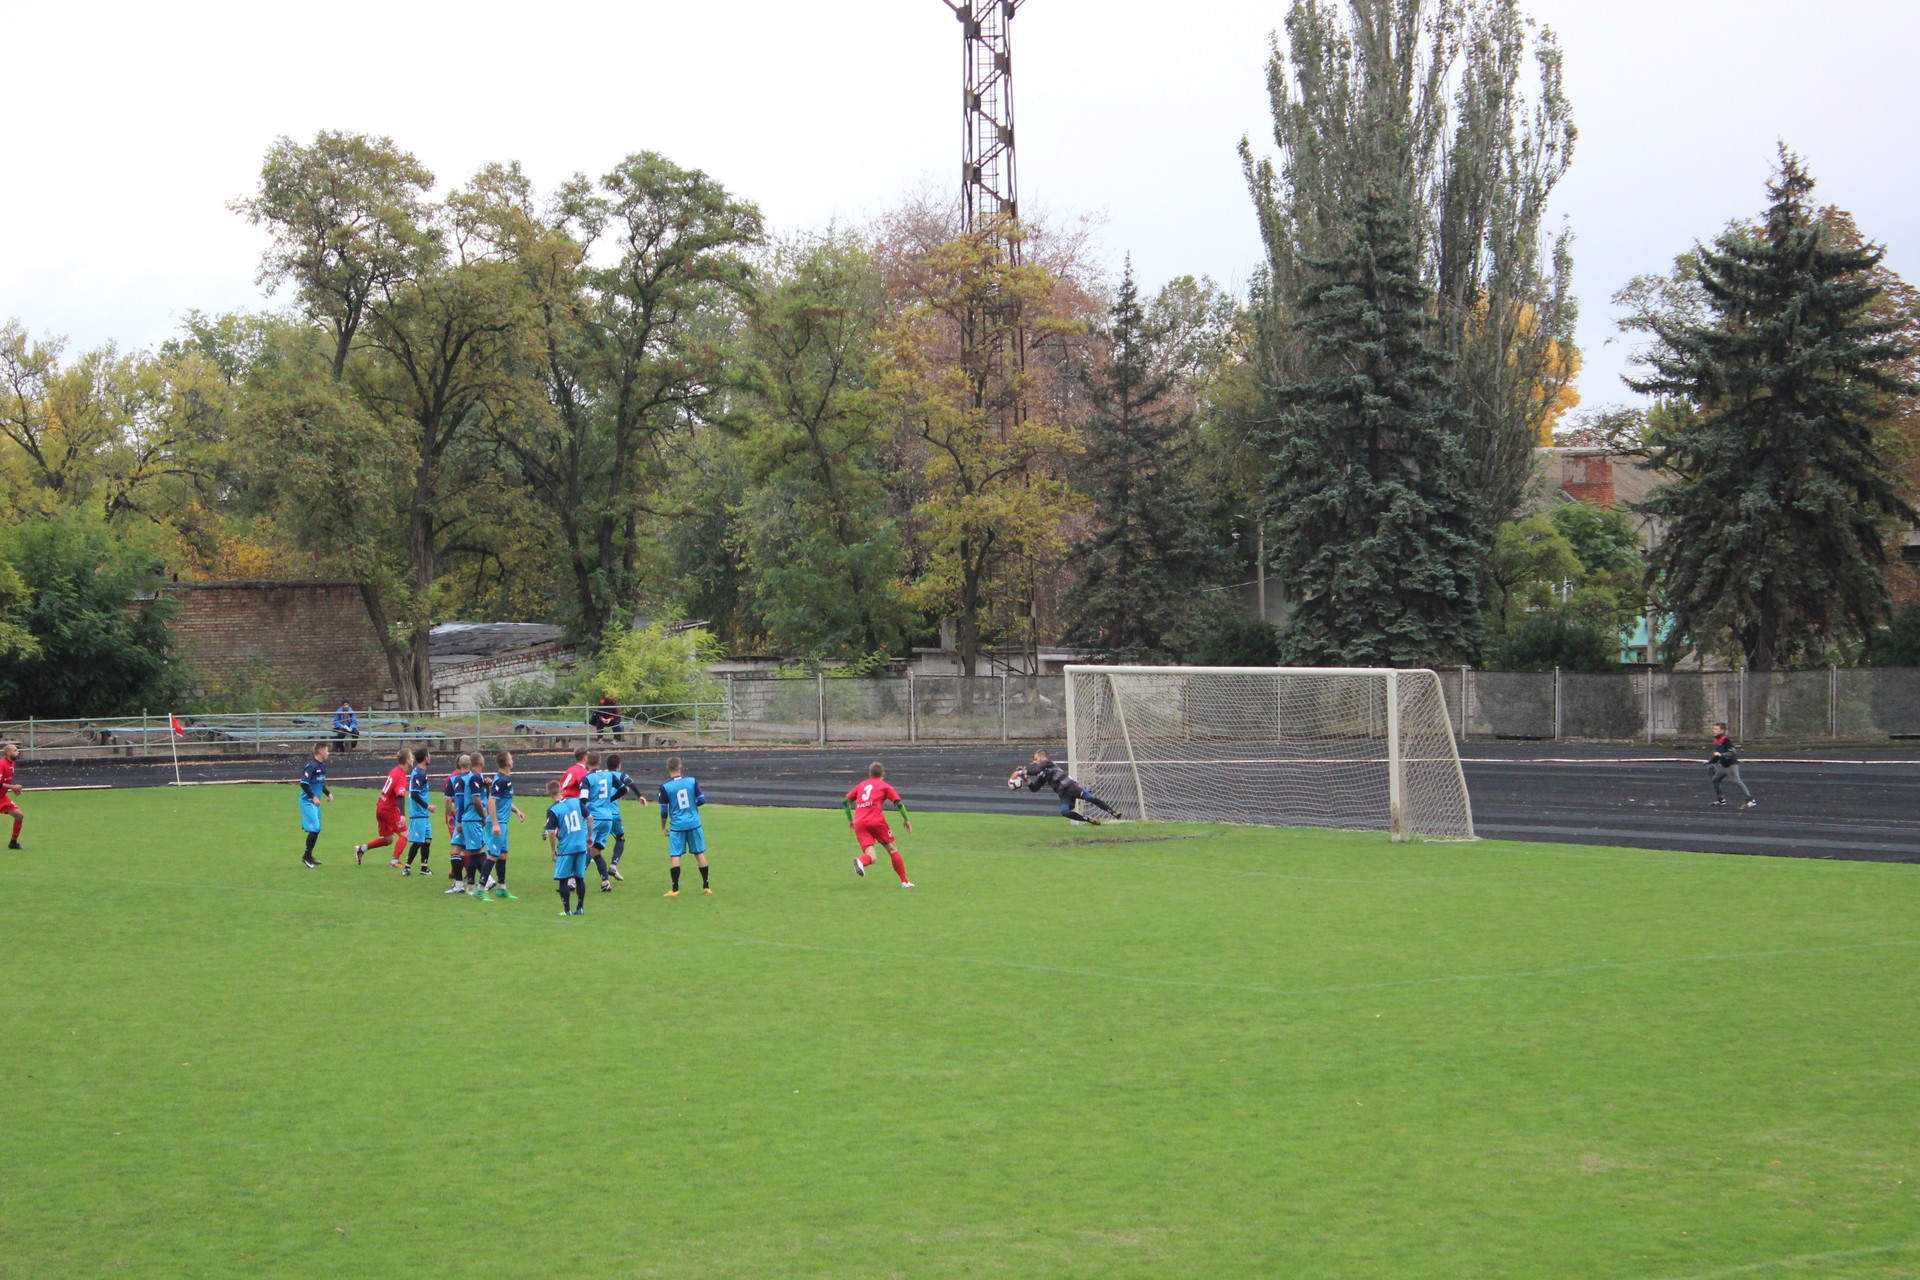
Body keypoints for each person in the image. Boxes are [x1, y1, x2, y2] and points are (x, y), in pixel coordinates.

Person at [845, 761, 914, 887]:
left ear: (869, 773)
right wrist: (906, 819)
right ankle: (904, 881)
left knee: (871, 856)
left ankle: (860, 861)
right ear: (883, 774)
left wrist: (850, 820)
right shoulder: (885, 786)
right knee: (892, 849)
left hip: (860, 823)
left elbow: (846, 802)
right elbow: (898, 803)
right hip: (876, 822)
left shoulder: (861, 785)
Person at [1017, 751, 1121, 825]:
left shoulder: (1048, 763)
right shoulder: (1043, 775)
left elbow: (1035, 771)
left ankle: (1113, 812)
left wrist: (1021, 772)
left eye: (1036, 759)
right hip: (1063, 794)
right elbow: (1034, 788)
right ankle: (1088, 819)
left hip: (1071, 786)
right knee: (1064, 812)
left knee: (1089, 798)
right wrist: (1026, 780)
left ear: (1042, 757)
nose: (1034, 762)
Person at [658, 756, 711, 897]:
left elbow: (664, 811)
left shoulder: (665, 787)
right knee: (699, 853)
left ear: (667, 768)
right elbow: (702, 800)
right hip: (694, 823)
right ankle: (706, 887)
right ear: (680, 767)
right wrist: (693, 806)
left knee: (675, 855)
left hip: (677, 826)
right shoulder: (691, 781)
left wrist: (663, 827)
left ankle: (675, 889)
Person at [584, 753, 635, 890]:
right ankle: (606, 881)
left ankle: (574, 879)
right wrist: (610, 799)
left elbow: (583, 799)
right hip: (608, 818)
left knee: (587, 848)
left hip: (594, 817)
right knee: (596, 851)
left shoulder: (587, 778)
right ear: (600, 762)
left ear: (587, 763)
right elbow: (625, 788)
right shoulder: (610, 775)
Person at [356, 748, 413, 867]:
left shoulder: (394, 771)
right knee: (405, 834)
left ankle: (362, 848)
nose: (413, 759)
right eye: (411, 757)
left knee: (388, 839)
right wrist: (402, 814)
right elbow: (400, 796)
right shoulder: (401, 775)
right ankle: (394, 861)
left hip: (380, 807)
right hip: (389, 810)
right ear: (407, 760)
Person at [545, 779, 591, 916]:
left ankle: (567, 911)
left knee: (563, 879)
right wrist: (589, 836)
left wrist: (553, 850)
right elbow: (589, 818)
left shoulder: (553, 810)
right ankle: (580, 908)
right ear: (561, 789)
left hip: (566, 848)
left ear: (548, 793)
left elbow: (551, 833)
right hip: (581, 845)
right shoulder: (576, 801)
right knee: (579, 878)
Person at [482, 751, 524, 899]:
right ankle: (480, 889)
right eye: (511, 758)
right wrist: (495, 824)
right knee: (493, 855)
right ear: (507, 763)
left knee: (503, 854)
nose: (513, 760)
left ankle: (501, 887)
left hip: (503, 822)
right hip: (498, 823)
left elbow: (504, 800)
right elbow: (491, 801)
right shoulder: (500, 780)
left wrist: (516, 810)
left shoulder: (505, 779)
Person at [444, 753, 477, 894]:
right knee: (474, 850)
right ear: (470, 764)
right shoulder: (476, 777)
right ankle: (473, 883)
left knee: (457, 850)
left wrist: (449, 816)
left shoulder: (453, 779)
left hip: (461, 819)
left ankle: (460, 884)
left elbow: (448, 800)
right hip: (474, 819)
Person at [1708, 723, 1757, 809]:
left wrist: (1721, 755)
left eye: (1716, 729)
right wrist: (1711, 761)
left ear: (1722, 731)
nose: (1714, 731)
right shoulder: (1718, 740)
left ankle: (1750, 800)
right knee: (1715, 779)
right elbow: (1718, 754)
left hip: (1731, 766)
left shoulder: (1726, 740)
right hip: (1723, 766)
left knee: (1736, 781)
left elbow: (1732, 752)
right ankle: (1721, 800)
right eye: (1714, 729)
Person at [298, 744, 332, 867]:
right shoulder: (311, 767)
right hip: (307, 802)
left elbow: (320, 783)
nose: (328, 753)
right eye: (327, 751)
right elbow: (303, 783)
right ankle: (306, 857)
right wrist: (313, 797)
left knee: (316, 829)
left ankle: (309, 856)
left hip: (315, 803)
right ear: (321, 752)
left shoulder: (322, 766)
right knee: (315, 828)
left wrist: (328, 793)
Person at [403, 748, 434, 877]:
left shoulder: (421, 772)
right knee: (418, 842)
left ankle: (424, 867)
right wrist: (427, 806)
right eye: (429, 755)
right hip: (419, 814)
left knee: (427, 840)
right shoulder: (419, 773)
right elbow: (414, 794)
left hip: (424, 815)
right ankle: (407, 867)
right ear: (425, 758)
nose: (430, 757)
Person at [0, 740, 25, 849]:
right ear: (8, 753)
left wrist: (13, 788)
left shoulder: (12, 764)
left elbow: (5, 781)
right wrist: (13, 787)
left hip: (2, 798)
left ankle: (13, 843)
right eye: (15, 750)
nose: (17, 752)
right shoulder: (1, 764)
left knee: (19, 815)